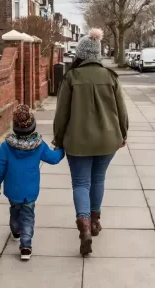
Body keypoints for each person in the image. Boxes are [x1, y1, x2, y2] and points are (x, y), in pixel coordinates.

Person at [53, 28, 129, 256]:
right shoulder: (110, 77)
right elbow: (121, 111)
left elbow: (61, 114)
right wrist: (123, 133)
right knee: (98, 179)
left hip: (77, 141)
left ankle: (83, 225)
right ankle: (95, 222)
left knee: (80, 183)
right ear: (97, 54)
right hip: (107, 140)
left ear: (80, 55)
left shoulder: (71, 78)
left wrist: (58, 138)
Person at [0, 104, 64, 260]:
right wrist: (61, 148)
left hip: (12, 189)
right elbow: (53, 158)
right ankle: (26, 246)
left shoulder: (6, 146)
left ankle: (16, 231)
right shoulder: (39, 146)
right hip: (30, 191)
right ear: (33, 126)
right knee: (28, 216)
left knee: (14, 210)